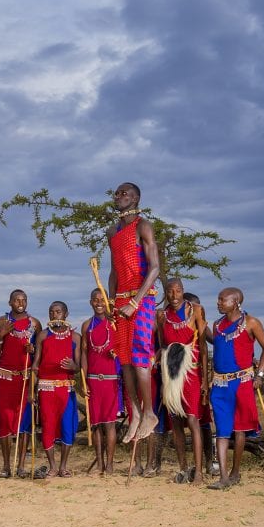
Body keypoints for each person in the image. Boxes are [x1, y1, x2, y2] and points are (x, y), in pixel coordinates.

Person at [107, 182, 161, 442]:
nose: (119, 197)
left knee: (140, 355)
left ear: (137, 198)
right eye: (116, 193)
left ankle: (150, 412)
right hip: (120, 301)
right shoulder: (112, 231)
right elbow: (114, 271)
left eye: (124, 193)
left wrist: (136, 302)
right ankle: (136, 413)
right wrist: (110, 301)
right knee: (124, 359)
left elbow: (155, 269)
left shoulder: (143, 225)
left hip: (141, 299)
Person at [205, 287, 264, 489]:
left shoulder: (251, 322)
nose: (218, 302)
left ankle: (235, 472)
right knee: (222, 430)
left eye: (222, 300)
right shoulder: (217, 325)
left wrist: (259, 374)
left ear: (235, 302)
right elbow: (216, 343)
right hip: (219, 383)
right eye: (218, 299)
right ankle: (224, 477)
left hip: (242, 382)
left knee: (240, 428)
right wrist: (200, 323)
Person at [156, 278, 208, 485]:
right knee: (176, 423)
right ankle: (183, 469)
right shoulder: (161, 315)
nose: (174, 296)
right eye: (170, 291)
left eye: (178, 291)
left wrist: (205, 380)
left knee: (194, 421)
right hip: (171, 375)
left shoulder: (195, 310)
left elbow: (203, 347)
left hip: (192, 375)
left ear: (183, 291)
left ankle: (199, 473)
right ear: (165, 293)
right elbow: (163, 347)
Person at [0, 290, 41, 478]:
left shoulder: (34, 324)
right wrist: (0, 336)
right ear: (10, 302)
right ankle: (6, 466)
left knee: (24, 421)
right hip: (6, 378)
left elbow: (39, 355)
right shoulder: (1, 322)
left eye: (24, 300)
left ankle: (20, 466)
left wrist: (33, 349)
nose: (21, 303)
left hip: (25, 378)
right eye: (17, 300)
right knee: (5, 421)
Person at [32, 301, 80, 478]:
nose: (54, 315)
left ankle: (63, 466)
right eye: (51, 312)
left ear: (65, 314)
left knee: (68, 426)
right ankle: (52, 466)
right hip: (46, 389)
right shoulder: (43, 336)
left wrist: (73, 366)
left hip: (66, 389)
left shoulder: (75, 337)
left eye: (58, 312)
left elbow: (79, 366)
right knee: (48, 426)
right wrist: (32, 386)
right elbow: (36, 363)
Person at [79, 288, 121, 476]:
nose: (98, 303)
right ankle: (100, 464)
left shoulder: (114, 324)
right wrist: (83, 381)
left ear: (107, 301)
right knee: (95, 424)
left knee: (109, 423)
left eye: (101, 300)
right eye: (95, 300)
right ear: (90, 302)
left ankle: (110, 465)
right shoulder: (86, 325)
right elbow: (85, 355)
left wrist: (116, 353)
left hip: (111, 381)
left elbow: (121, 347)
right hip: (93, 380)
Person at [184, 290, 216, 476]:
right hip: (177, 378)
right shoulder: (173, 320)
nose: (197, 309)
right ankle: (187, 465)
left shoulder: (199, 322)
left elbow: (214, 341)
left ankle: (209, 463)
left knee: (203, 422)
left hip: (197, 377)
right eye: (194, 306)